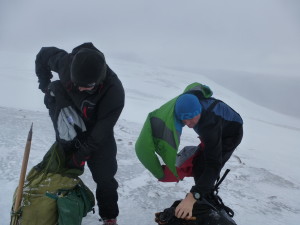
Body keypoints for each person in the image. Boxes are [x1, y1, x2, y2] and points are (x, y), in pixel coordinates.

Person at [35, 42, 125, 225]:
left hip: (98, 130)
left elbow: (100, 133)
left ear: (99, 79)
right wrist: (44, 82)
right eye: (77, 84)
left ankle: (109, 216)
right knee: (61, 164)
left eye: (87, 86)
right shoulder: (66, 63)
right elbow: (43, 54)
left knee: (105, 176)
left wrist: (80, 156)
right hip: (69, 115)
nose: (81, 89)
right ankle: (51, 207)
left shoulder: (114, 91)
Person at [135, 82, 243, 221]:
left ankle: (204, 203)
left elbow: (213, 164)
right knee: (199, 164)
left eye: (191, 118)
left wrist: (193, 197)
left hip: (230, 134)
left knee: (208, 165)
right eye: (184, 120)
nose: (188, 123)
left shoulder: (209, 124)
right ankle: (203, 197)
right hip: (213, 131)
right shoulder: (187, 101)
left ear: (199, 111)